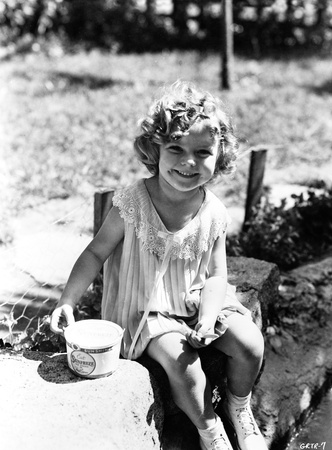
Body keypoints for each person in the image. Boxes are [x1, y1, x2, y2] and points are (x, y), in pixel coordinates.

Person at [50, 81, 268, 450]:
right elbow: (95, 254)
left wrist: (208, 317)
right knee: (185, 365)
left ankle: (238, 406)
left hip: (196, 300)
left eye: (202, 152)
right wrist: (68, 300)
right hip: (145, 309)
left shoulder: (213, 211)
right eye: (176, 149)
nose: (188, 162)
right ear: (155, 148)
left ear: (220, 155)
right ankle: (209, 430)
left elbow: (217, 276)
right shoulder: (133, 203)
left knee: (250, 343)